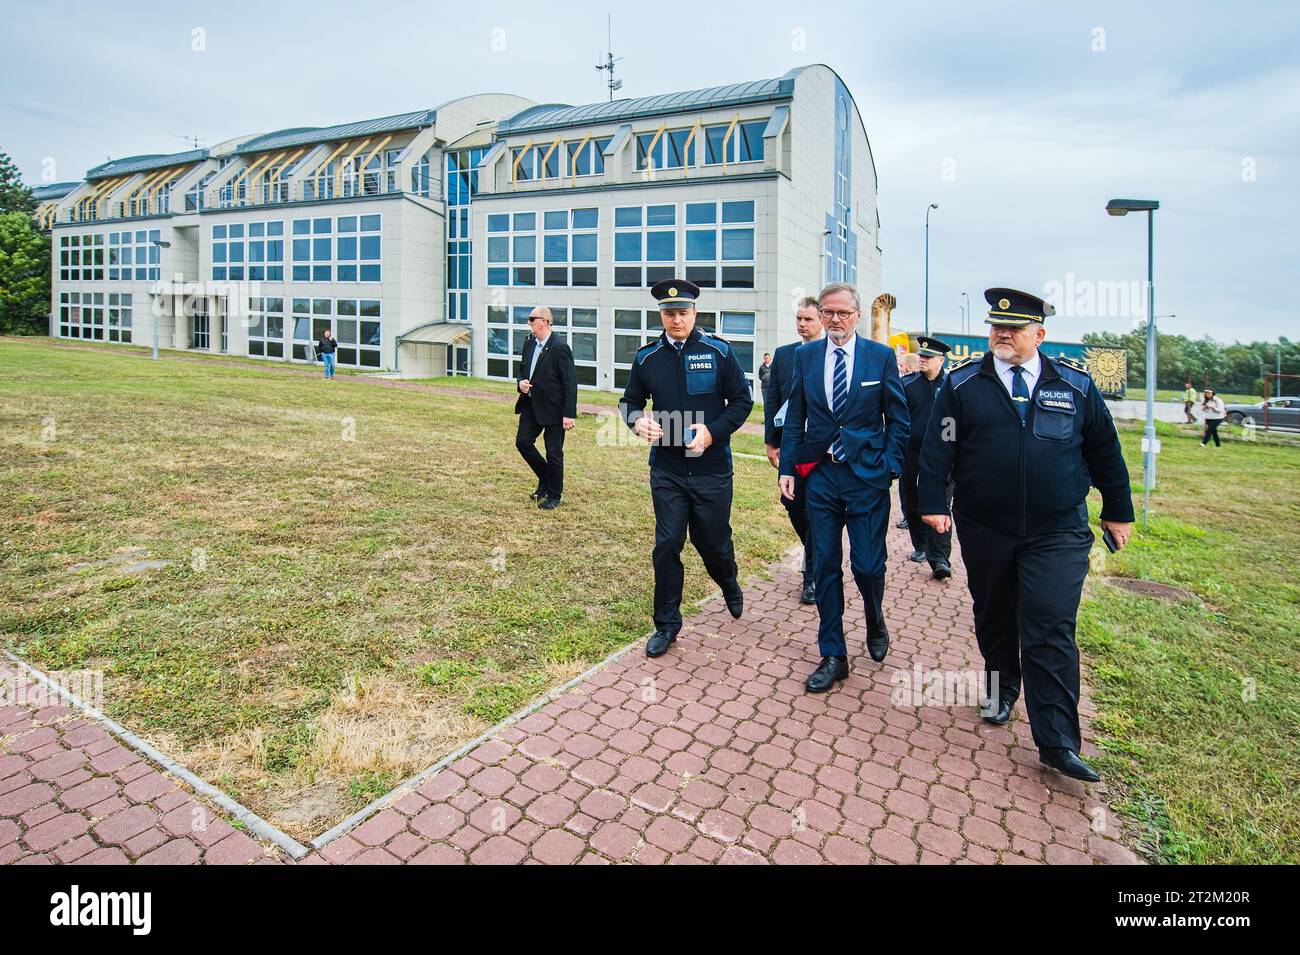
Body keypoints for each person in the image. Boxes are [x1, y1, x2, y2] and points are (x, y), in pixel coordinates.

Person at [918, 287, 1134, 783]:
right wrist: (932, 503)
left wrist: (1117, 511)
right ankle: (1001, 687)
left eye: (1013, 329)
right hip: (985, 525)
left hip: (1057, 530)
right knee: (994, 613)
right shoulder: (964, 384)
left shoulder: (1075, 386)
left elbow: (1104, 450)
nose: (1002, 335)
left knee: (1049, 625)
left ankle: (1057, 740)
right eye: (996, 327)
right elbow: (940, 445)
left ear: (1040, 334)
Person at [778, 282, 909, 693]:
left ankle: (875, 615)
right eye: (828, 312)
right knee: (826, 565)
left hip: (866, 475)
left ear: (855, 316)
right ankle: (833, 654)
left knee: (868, 566)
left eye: (843, 313)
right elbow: (795, 412)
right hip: (820, 475)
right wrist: (788, 466)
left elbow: (899, 420)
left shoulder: (880, 357)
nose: (835, 320)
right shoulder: (806, 355)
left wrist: (889, 465)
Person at [620, 278, 752, 658]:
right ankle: (667, 624)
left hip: (710, 468)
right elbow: (629, 400)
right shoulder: (647, 357)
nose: (676, 320)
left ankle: (728, 580)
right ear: (660, 315)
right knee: (667, 545)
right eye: (669, 313)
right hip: (667, 469)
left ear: (695, 313)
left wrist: (713, 433)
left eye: (683, 313)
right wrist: (635, 421)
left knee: (712, 542)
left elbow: (741, 402)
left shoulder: (719, 351)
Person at [763, 296, 825, 604]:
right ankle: (820, 550)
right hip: (792, 445)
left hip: (822, 449)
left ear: (822, 321)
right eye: (799, 319)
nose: (802, 324)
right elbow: (773, 398)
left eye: (808, 319)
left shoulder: (830, 355)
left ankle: (811, 576)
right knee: (792, 503)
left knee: (816, 511)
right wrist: (771, 441)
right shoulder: (785, 355)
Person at [901, 337, 953, 579]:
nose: (922, 359)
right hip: (911, 453)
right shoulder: (908, 384)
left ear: (940, 360)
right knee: (911, 500)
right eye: (921, 355)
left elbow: (953, 422)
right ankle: (920, 545)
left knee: (941, 502)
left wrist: (951, 447)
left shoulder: (952, 385)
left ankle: (940, 557)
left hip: (942, 455)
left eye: (928, 357)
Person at [515, 307, 577, 509]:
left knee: (554, 453)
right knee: (523, 443)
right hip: (531, 404)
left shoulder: (560, 347)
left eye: (533, 319)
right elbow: (522, 370)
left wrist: (568, 414)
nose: (529, 323)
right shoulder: (528, 343)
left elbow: (570, 382)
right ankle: (545, 477)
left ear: (546, 322)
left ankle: (554, 495)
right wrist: (521, 383)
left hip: (554, 409)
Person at [894, 353, 921, 529]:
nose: (900, 369)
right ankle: (909, 517)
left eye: (901, 366)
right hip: (908, 446)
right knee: (907, 487)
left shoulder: (908, 384)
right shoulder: (907, 384)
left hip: (918, 445)